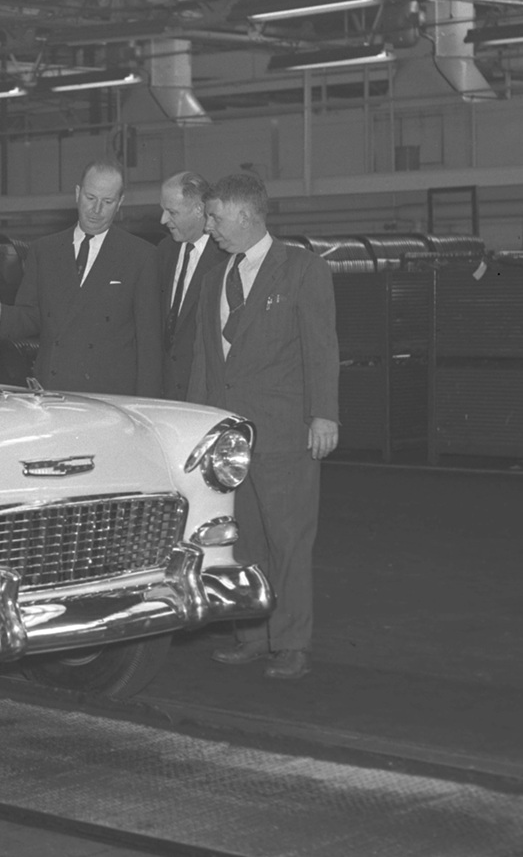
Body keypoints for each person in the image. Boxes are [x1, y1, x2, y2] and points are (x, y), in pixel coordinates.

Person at [189, 172, 338, 681]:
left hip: (284, 431)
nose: (209, 228)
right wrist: (198, 426)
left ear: (247, 215)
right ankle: (251, 635)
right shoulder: (214, 278)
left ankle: (292, 642)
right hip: (232, 439)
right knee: (242, 540)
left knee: (289, 539)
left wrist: (325, 413)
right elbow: (206, 363)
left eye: (215, 217)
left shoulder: (302, 270)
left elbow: (321, 347)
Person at [0, 159, 160, 396]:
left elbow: (149, 345)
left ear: (120, 203)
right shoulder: (44, 250)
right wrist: (0, 315)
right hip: (54, 390)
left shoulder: (141, 256)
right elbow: (32, 315)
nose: (96, 210)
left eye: (107, 202)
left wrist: (147, 406)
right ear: (77, 194)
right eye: (90, 198)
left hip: (110, 395)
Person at [157, 171, 227, 401]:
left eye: (172, 212)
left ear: (199, 210)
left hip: (207, 394)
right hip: (166, 393)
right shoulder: (163, 252)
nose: (163, 220)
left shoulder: (226, 258)